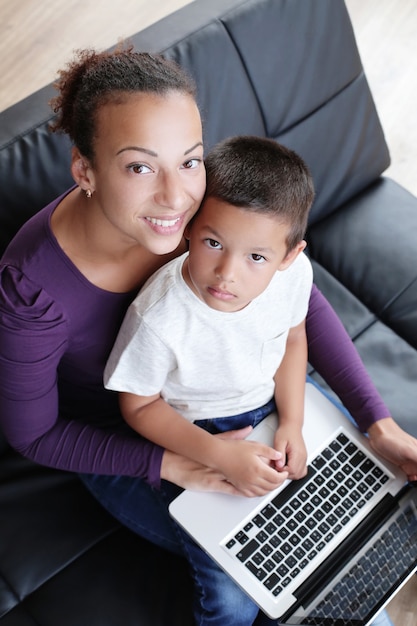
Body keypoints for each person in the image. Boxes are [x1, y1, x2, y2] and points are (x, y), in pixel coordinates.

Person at [0, 45, 415, 625]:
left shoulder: (203, 210)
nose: (175, 198)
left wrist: (379, 421)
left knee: (361, 497)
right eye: (139, 166)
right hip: (129, 439)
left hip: (232, 392)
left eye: (188, 160)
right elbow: (35, 436)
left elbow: (295, 301)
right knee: (249, 584)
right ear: (84, 170)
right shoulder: (32, 291)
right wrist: (175, 464)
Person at [104, 135, 315, 496]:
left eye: (256, 257)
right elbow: (138, 406)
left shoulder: (295, 276)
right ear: (189, 226)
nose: (227, 273)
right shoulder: (158, 317)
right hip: (199, 429)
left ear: (288, 257)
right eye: (213, 243)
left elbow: (293, 337)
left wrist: (292, 422)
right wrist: (218, 454)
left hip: (279, 399)